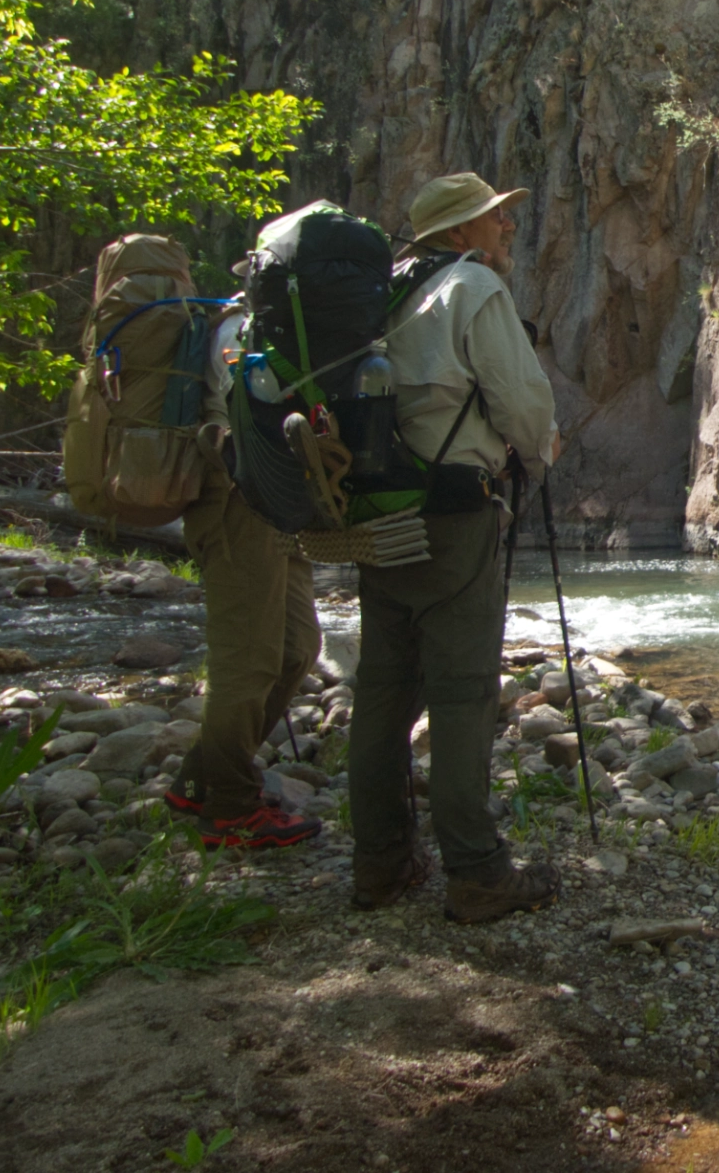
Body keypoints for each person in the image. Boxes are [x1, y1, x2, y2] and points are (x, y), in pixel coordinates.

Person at [347, 172, 561, 922]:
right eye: (494, 219)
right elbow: (521, 398)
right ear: (461, 234)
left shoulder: (383, 294)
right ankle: (475, 871)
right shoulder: (472, 288)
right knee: (463, 693)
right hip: (454, 517)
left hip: (378, 515)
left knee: (382, 690)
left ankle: (378, 864)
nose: (507, 230)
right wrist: (541, 452)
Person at [170, 301, 326, 849]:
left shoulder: (286, 333)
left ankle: (200, 780)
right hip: (235, 500)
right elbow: (260, 408)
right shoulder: (243, 331)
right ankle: (231, 808)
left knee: (298, 647)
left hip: (278, 499)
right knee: (249, 660)